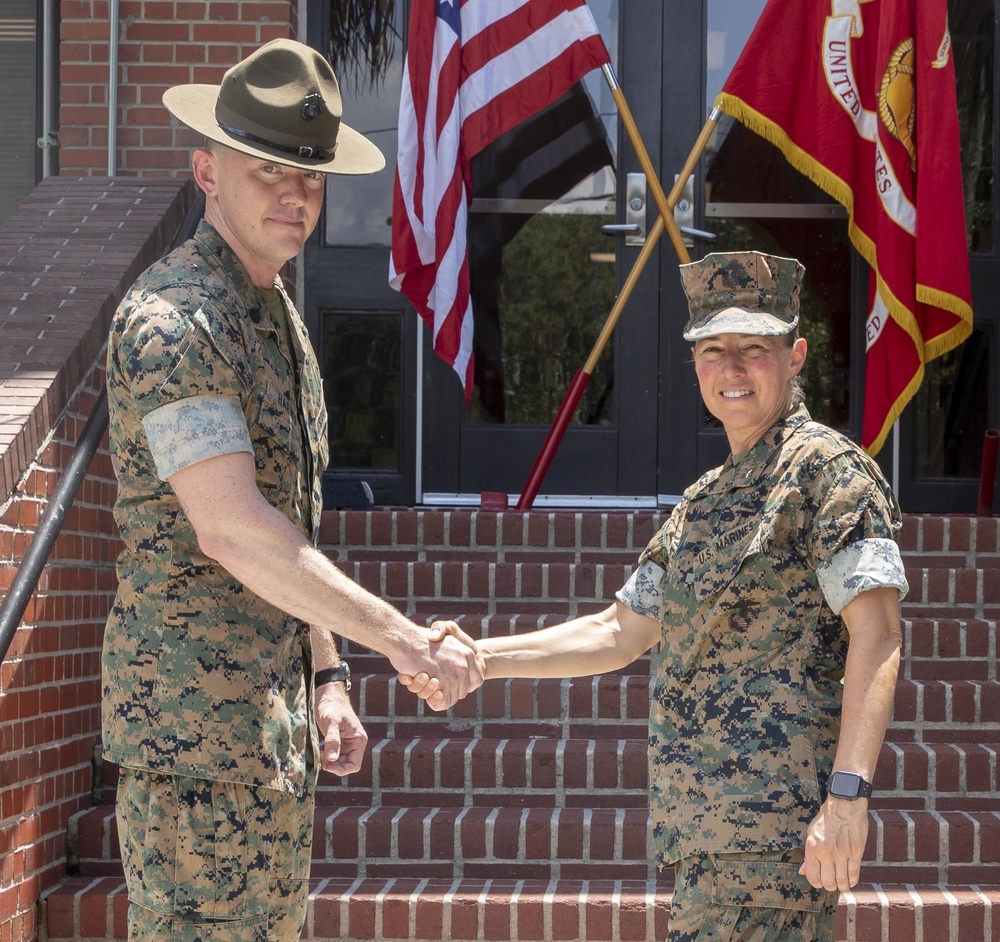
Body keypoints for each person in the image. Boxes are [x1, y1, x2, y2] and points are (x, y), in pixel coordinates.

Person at [407, 251, 908, 941]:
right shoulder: (703, 503)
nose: (730, 369)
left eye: (753, 349)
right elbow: (621, 632)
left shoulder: (826, 474)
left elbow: (877, 635)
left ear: (795, 356)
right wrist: (482, 658)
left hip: (776, 839)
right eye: (712, 350)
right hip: (710, 838)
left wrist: (848, 796)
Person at [103, 39, 483, 942]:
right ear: (206, 170)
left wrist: (326, 673)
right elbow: (232, 530)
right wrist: (401, 639)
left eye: (308, 177)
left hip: (267, 743)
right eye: (267, 169)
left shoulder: (275, 323)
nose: (293, 194)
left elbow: (288, 527)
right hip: (192, 750)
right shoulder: (176, 321)